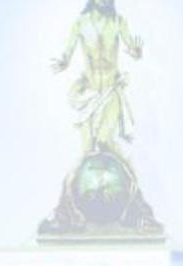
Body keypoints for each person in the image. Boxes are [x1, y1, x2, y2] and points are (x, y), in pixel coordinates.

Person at [52, 0, 143, 156]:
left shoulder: (118, 21)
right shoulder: (80, 23)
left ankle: (130, 174)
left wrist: (137, 52)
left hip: (111, 91)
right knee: (87, 150)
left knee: (104, 140)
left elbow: (133, 49)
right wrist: (63, 62)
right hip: (89, 93)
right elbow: (68, 53)